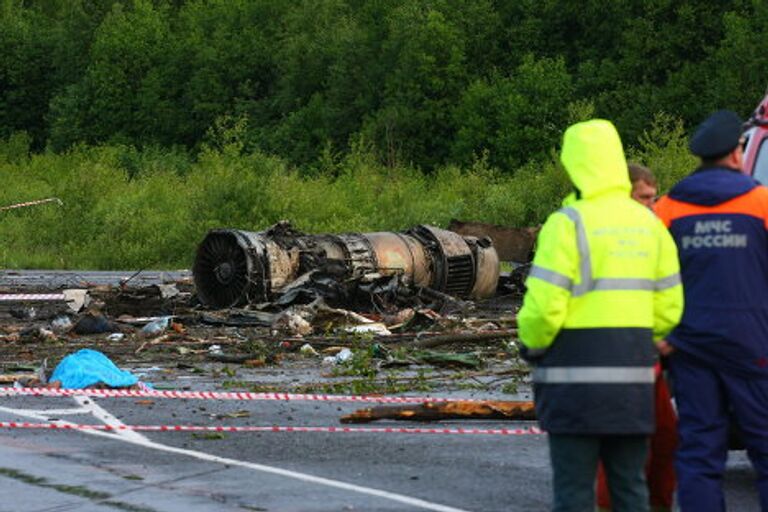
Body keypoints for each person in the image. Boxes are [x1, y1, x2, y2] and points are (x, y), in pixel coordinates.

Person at [518, 119, 684, 512]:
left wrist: (533, 344)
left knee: (575, 492)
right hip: (633, 382)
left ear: (573, 163)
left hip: (572, 384)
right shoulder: (648, 223)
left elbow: (542, 309)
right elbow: (670, 307)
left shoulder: (567, 224)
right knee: (630, 489)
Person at [654, 110, 768, 511]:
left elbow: (647, 281)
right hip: (752, 345)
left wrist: (660, 339)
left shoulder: (666, 209)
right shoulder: (761, 202)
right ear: (736, 153)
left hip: (689, 347)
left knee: (700, 454)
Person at [595, 163, 678, 512]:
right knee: (624, 449)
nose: (651, 205)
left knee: (665, 439)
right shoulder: (609, 237)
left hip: (650, 356)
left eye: (654, 198)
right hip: (616, 357)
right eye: (644, 198)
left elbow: (667, 292)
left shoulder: (653, 233)